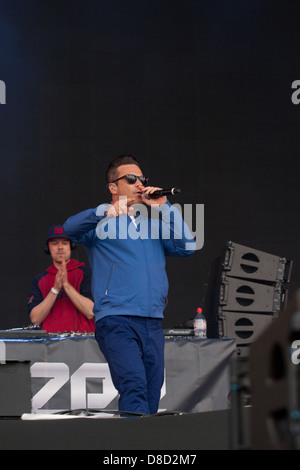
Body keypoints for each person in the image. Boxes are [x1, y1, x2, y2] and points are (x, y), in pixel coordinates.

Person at [63, 155, 196, 415]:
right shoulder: (101, 223)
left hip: (152, 320)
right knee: (134, 386)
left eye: (142, 179)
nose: (139, 184)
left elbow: (188, 246)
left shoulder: (152, 224)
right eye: (131, 179)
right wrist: (105, 211)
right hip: (117, 319)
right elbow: (69, 229)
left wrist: (164, 206)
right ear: (113, 187)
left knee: (152, 390)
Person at [28, 225, 95, 333]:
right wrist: (55, 289)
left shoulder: (85, 272)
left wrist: (67, 285)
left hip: (83, 342)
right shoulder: (40, 280)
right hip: (51, 345)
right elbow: (35, 319)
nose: (60, 247)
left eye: (64, 243)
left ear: (71, 246)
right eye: (55, 243)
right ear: (47, 248)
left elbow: (91, 311)